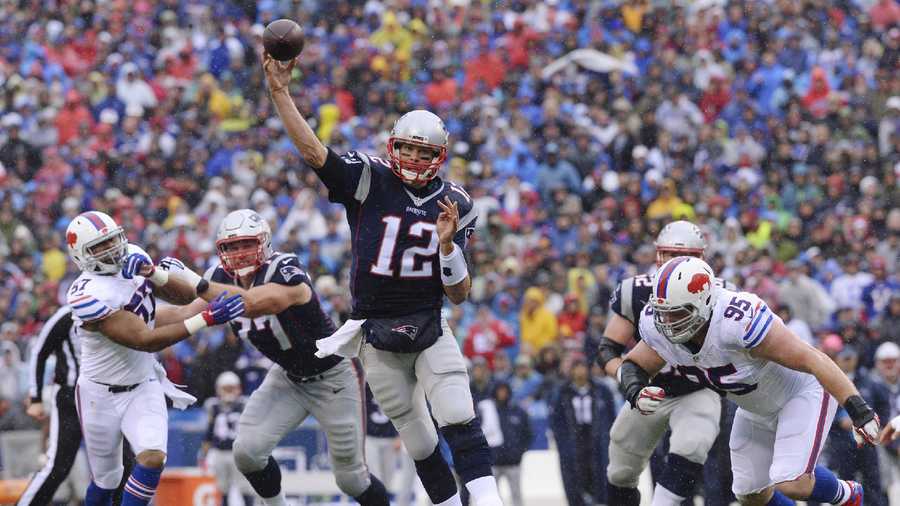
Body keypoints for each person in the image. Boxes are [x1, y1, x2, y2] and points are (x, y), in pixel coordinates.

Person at [264, 54, 503, 506]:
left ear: (440, 157)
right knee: (418, 440)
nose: (414, 159)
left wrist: (448, 247)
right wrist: (280, 92)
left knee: (456, 412)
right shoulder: (371, 178)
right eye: (407, 149)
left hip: (428, 323)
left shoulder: (455, 202)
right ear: (393, 146)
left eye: (424, 152)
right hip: (374, 332)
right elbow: (316, 153)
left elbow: (460, 293)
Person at [166, 209, 390, 506]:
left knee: (351, 479)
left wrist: (198, 285)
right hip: (288, 377)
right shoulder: (217, 279)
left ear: (264, 242)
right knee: (246, 452)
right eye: (231, 247)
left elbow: (256, 303)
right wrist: (127, 307)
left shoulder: (283, 268)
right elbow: (180, 314)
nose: (240, 254)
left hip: (334, 376)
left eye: (246, 244)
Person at [621, 256, 880, 506]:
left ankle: (848, 495)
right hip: (756, 409)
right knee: (750, 494)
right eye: (663, 313)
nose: (667, 322)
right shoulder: (659, 328)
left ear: (705, 301)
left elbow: (812, 359)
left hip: (800, 392)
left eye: (677, 313)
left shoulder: (736, 321)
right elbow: (634, 365)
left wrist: (859, 410)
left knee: (791, 482)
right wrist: (635, 390)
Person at [64, 210, 245, 505]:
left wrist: (154, 273)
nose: (113, 249)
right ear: (80, 255)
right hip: (99, 394)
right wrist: (206, 319)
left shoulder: (133, 254)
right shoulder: (86, 294)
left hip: (142, 383)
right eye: (100, 247)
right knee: (107, 479)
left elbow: (183, 299)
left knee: (152, 458)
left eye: (113, 240)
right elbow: (143, 340)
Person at [596, 221, 732, 505]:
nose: (677, 262)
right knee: (620, 470)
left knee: (692, 445)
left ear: (702, 259)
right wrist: (631, 383)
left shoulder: (720, 294)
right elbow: (608, 350)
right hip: (649, 389)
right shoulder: (636, 291)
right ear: (658, 255)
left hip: (697, 388)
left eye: (687, 256)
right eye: (670, 254)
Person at [17, 306, 82, 506]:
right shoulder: (69, 313)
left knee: (121, 465)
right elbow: (40, 351)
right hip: (70, 396)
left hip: (107, 396)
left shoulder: (119, 306)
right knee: (58, 466)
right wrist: (35, 397)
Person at [550, 358, 616, 506]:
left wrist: (608, 438)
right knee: (574, 477)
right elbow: (556, 420)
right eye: (576, 368)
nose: (580, 372)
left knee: (600, 475)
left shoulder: (601, 391)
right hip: (573, 440)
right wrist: (563, 442)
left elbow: (611, 417)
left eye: (583, 367)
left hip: (597, 439)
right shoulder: (562, 392)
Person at [200, 371, 254, 506]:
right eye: (226, 388)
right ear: (219, 389)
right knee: (222, 488)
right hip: (219, 452)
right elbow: (209, 432)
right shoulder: (214, 407)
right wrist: (204, 454)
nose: (229, 391)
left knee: (245, 487)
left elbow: (251, 431)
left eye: (232, 388)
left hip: (239, 453)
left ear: (238, 388)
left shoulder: (244, 405)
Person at [364, 385, 416, 506]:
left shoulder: (391, 381)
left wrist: (399, 436)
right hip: (370, 437)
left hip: (390, 438)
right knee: (375, 477)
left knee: (388, 479)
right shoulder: (365, 385)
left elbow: (401, 408)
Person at [487, 382, 532, 506]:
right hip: (493, 462)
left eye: (504, 390)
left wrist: (519, 451)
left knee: (516, 495)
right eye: (499, 390)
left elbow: (528, 434)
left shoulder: (518, 411)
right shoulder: (488, 411)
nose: (502, 393)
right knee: (491, 497)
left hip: (513, 462)